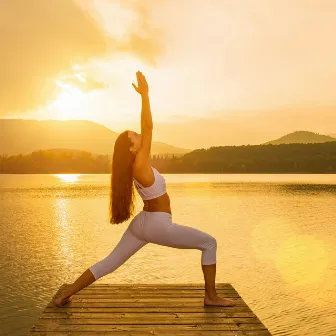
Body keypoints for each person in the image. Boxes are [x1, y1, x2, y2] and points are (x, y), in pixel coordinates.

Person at [54, 71, 236, 307]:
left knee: (110, 262)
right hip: (158, 224)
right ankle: (211, 297)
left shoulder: (134, 166)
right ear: (131, 148)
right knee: (209, 243)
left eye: (137, 133)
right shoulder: (139, 164)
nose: (140, 135)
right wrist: (145, 96)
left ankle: (66, 294)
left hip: (143, 223)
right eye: (135, 136)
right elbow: (149, 126)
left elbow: (146, 131)